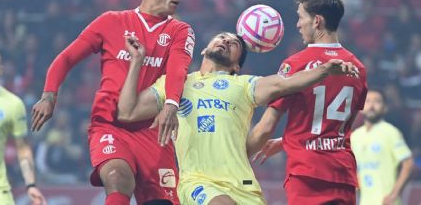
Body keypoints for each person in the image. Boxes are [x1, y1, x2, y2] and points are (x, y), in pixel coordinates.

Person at [117, 32, 358, 204]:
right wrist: (136, 62)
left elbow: (284, 84)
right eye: (222, 37)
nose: (226, 41)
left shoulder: (243, 85)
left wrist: (324, 69)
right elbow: (128, 111)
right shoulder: (177, 83)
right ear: (204, 48)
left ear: (236, 66)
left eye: (234, 44)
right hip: (200, 182)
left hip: (245, 187)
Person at [31, 0, 195, 204]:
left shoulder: (181, 31)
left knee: (163, 201)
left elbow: (178, 70)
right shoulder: (111, 21)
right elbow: (66, 58)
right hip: (110, 124)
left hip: (154, 132)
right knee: (118, 178)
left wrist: (171, 104)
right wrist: (49, 95)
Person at [251, 0, 368, 204]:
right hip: (343, 174)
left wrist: (237, 155)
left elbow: (266, 127)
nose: (298, 24)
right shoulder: (357, 67)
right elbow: (342, 125)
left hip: (307, 174)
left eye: (300, 17)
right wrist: (287, 140)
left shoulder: (295, 65)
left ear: (317, 21)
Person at [0, 51, 47, 205]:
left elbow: (23, 148)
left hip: (0, 193)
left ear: (1, 69)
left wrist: (31, 185)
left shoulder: (13, 104)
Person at [351, 89, 414, 205]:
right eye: (368, 101)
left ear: (385, 108)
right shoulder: (355, 136)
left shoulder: (391, 132)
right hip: (364, 201)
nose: (372, 105)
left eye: (377, 102)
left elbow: (408, 163)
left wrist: (394, 194)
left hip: (387, 201)